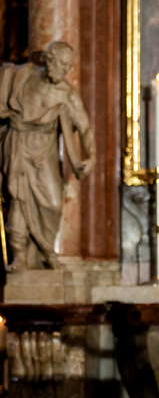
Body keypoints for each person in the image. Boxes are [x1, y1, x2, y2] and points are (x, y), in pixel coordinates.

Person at [0, 42, 95, 271]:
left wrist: (91, 157)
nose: (65, 70)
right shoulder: (21, 75)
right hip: (18, 145)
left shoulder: (67, 94)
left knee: (53, 203)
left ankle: (47, 251)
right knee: (18, 201)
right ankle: (20, 258)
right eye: (61, 64)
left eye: (68, 66)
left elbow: (85, 128)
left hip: (45, 153)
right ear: (48, 60)